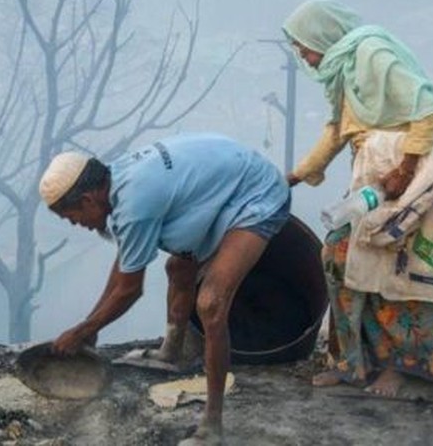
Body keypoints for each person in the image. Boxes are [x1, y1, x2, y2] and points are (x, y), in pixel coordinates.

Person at [41, 132, 290, 445]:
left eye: (73, 216)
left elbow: (130, 289)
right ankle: (171, 352)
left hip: (258, 194)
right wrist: (91, 328)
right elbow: (123, 267)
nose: (78, 224)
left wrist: (81, 331)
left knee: (211, 303)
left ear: (88, 199)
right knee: (178, 266)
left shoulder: (134, 204)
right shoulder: (117, 181)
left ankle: (212, 425)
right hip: (227, 185)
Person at [282, 0, 433, 397]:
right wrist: (298, 174)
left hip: (407, 174)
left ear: (323, 35)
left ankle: (405, 366)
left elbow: (425, 108)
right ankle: (352, 362)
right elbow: (338, 130)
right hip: (372, 178)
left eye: (304, 45)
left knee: (397, 269)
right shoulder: (344, 69)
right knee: (339, 257)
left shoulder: (371, 53)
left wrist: (403, 171)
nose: (303, 55)